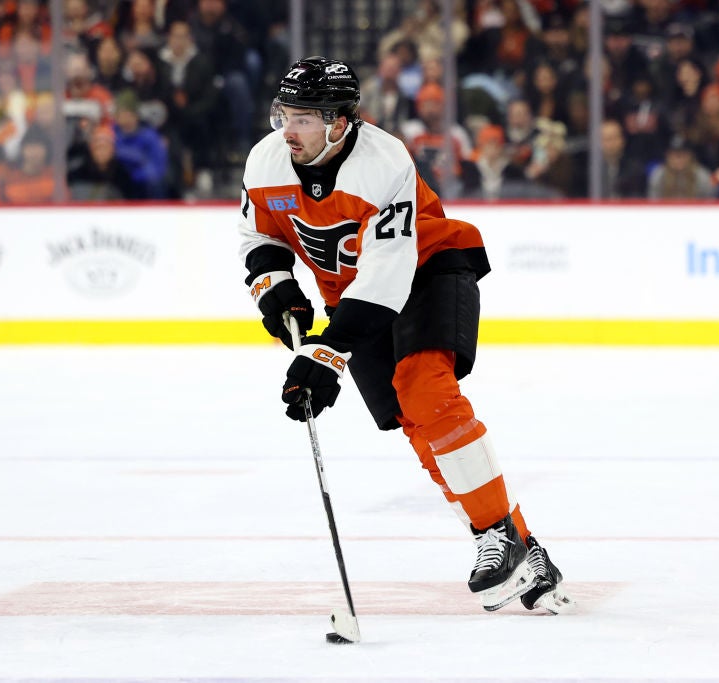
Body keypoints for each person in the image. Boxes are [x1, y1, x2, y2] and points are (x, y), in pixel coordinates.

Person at [237, 56, 572, 614]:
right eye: (284, 114)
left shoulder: (383, 161)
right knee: (413, 423)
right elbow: (259, 237)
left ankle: (497, 536)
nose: (287, 129)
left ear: (339, 122)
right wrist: (277, 292)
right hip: (352, 298)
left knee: (427, 393)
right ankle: (519, 545)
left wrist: (325, 354)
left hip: (428, 271)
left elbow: (387, 278)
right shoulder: (266, 161)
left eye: (302, 118)